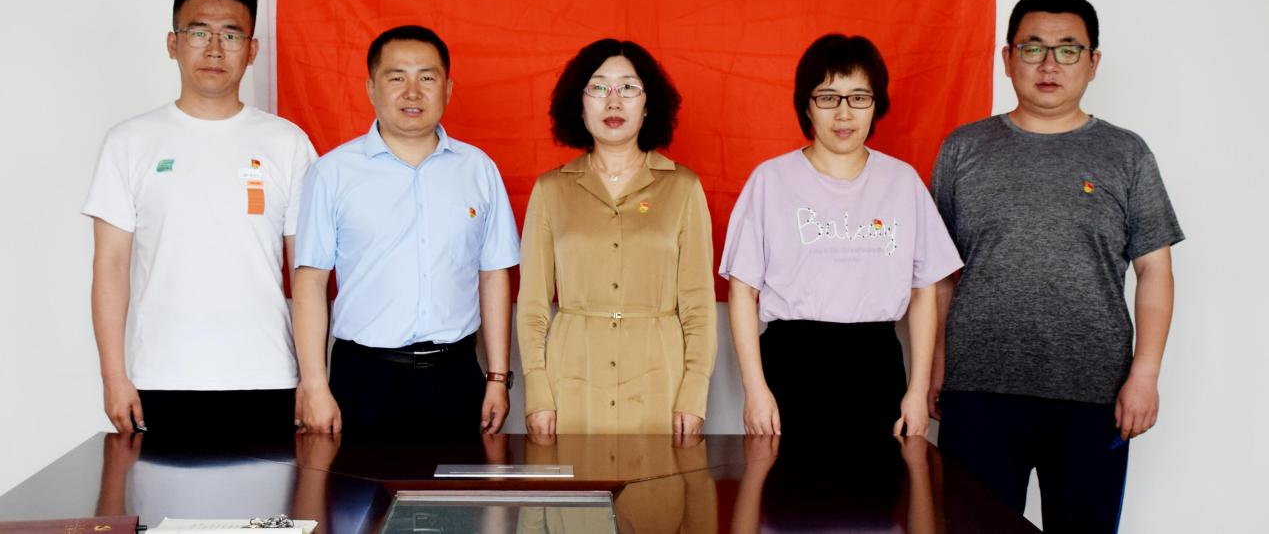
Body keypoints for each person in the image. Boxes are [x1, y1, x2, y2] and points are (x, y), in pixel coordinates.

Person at [928, 0, 1184, 533]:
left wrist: (1145, 374)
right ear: (1007, 58)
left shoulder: (1126, 153)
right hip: (979, 388)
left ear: (1093, 62)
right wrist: (937, 364)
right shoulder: (963, 149)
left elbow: (1154, 270)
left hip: (1094, 394)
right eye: (1032, 48)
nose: (1049, 65)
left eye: (1068, 50)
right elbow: (940, 275)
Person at [84, 0, 316, 435]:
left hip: (267, 375)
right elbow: (110, 266)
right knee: (158, 488)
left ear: (252, 50)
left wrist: (313, 379)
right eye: (198, 33)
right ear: (173, 43)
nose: (214, 49)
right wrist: (113, 377)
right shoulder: (129, 142)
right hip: (161, 378)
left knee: (272, 489)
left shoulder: (287, 143)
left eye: (231, 35)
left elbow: (305, 271)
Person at [719, 34, 962, 438]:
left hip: (876, 366)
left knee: (881, 479)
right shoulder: (771, 180)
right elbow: (742, 290)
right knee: (786, 480)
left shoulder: (902, 182)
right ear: (807, 105)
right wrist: (755, 390)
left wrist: (917, 392)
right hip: (790, 364)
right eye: (828, 97)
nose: (844, 113)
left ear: (876, 104)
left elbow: (924, 291)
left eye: (859, 98)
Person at [291, 25, 519, 435]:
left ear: (448, 89)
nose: (412, 92)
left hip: (455, 376)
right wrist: (314, 386)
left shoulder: (478, 169)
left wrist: (498, 378)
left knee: (459, 479)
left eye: (427, 78)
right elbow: (310, 281)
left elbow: (493, 275)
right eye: (396, 78)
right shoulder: (332, 173)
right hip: (364, 378)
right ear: (371, 88)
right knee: (358, 480)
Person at [517, 38, 717, 435]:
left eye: (628, 87)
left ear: (648, 104)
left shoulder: (683, 188)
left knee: (659, 477)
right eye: (598, 87)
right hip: (571, 378)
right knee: (573, 476)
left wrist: (694, 392)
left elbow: (698, 304)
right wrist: (537, 391)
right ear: (580, 104)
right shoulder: (551, 189)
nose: (613, 101)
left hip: (660, 379)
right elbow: (533, 304)